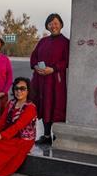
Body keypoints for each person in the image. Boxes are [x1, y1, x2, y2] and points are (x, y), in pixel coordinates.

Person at [30, 13, 69, 144]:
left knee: (56, 106)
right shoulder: (43, 41)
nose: (53, 26)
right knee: (44, 105)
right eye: (50, 23)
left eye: (56, 23)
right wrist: (36, 67)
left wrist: (53, 68)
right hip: (41, 80)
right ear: (47, 26)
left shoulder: (66, 43)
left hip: (56, 81)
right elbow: (34, 56)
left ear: (61, 25)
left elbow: (67, 61)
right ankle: (46, 136)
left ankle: (57, 136)